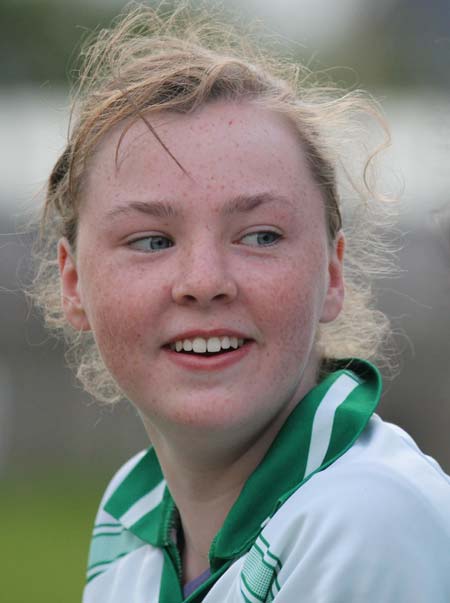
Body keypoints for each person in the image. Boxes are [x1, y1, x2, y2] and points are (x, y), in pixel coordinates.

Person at [31, 3, 450, 602]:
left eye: (261, 236)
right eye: (151, 240)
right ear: (74, 283)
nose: (204, 281)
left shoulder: (370, 521)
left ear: (332, 272)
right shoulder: (132, 521)